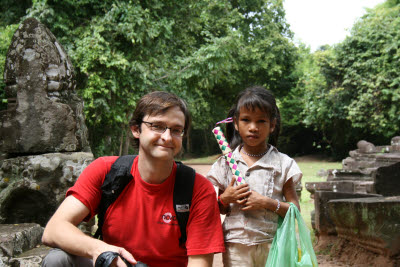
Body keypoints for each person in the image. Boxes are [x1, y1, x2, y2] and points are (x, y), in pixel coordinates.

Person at [42, 91, 225, 267]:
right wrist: (100, 249)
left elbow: (200, 263)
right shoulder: (107, 171)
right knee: (58, 260)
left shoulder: (198, 189)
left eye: (176, 130)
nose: (167, 137)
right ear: (136, 130)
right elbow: (54, 230)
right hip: (115, 263)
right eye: (157, 126)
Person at [206, 86, 302, 267]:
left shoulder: (284, 164)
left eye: (261, 121)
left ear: (272, 125)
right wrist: (226, 198)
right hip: (236, 245)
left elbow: (294, 210)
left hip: (272, 244)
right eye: (246, 120)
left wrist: (266, 203)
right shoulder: (224, 164)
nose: (253, 127)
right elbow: (214, 208)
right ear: (235, 123)